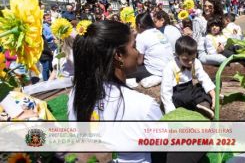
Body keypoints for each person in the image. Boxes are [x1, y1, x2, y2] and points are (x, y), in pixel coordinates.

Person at [68, 20, 162, 162]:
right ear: (118, 55)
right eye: (134, 46)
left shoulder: (76, 94)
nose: (137, 52)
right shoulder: (144, 106)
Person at [161, 36, 216, 119]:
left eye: (193, 58)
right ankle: (202, 103)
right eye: (185, 59)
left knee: (214, 82)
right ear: (177, 55)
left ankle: (203, 105)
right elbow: (166, 91)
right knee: (185, 97)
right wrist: (171, 112)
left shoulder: (195, 62)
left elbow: (204, 78)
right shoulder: (170, 67)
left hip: (190, 88)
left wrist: (213, 94)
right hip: (178, 92)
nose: (190, 62)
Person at [127, 12, 173, 85]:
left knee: (125, 71)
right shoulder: (158, 32)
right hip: (169, 68)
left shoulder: (141, 36)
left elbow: (139, 62)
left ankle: (154, 77)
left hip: (155, 70)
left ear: (138, 25)